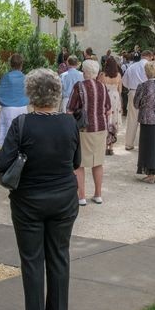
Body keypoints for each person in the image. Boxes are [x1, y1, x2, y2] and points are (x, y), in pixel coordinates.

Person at [0, 68, 80, 310]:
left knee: (32, 261)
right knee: (59, 256)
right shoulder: (69, 123)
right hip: (64, 198)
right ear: (56, 93)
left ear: (30, 94)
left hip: (29, 201)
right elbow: (76, 161)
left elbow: (1, 163)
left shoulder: (22, 124)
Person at [67, 59, 110, 205]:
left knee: (80, 163)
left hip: (83, 128)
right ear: (96, 72)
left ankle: (81, 197)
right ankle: (98, 194)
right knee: (98, 162)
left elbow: (70, 109)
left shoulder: (79, 86)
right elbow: (108, 109)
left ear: (84, 72)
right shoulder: (102, 86)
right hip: (100, 127)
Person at [122, 50, 153, 150]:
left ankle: (129, 143)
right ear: (150, 56)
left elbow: (124, 81)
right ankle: (146, 144)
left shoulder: (132, 66)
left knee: (132, 118)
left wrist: (131, 87)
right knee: (147, 118)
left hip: (133, 91)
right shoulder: (150, 66)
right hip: (147, 92)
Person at [0, 54, 30, 146]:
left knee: (7, 134)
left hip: (8, 109)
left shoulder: (6, 77)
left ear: (10, 64)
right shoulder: (25, 78)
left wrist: (3, 102)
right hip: (22, 108)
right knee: (22, 133)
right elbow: (29, 93)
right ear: (21, 64)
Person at [98, 56, 123, 156]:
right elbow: (120, 90)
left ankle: (105, 146)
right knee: (114, 121)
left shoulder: (102, 75)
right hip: (115, 98)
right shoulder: (118, 75)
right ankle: (111, 147)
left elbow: (99, 88)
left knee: (106, 120)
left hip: (105, 97)